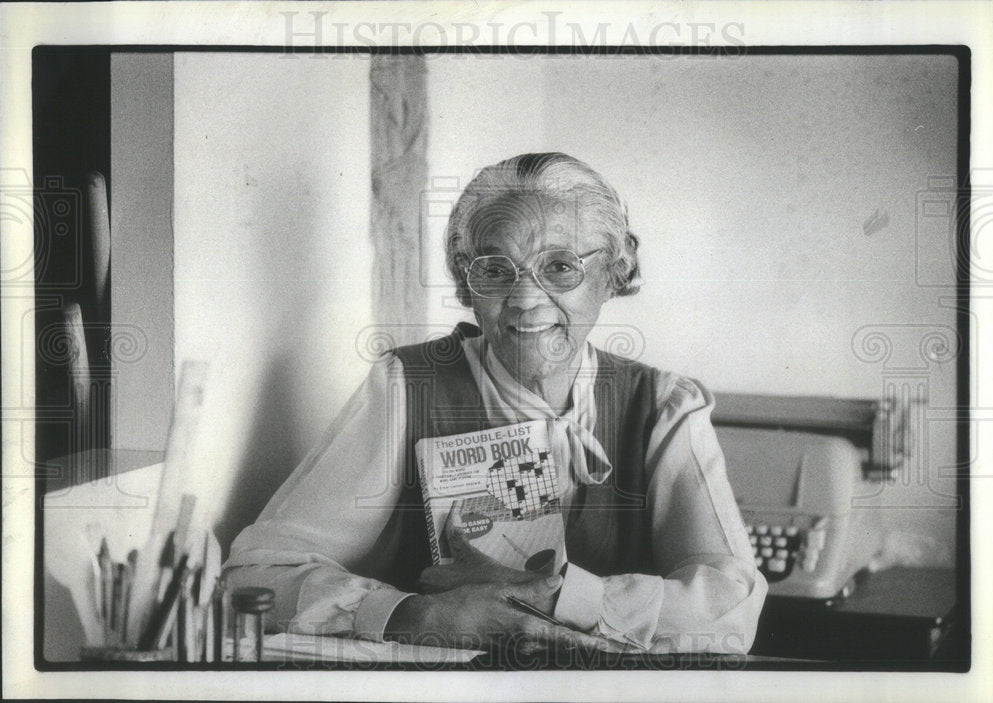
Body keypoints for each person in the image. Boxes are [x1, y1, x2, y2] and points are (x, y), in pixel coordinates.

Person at [223, 152, 767, 655]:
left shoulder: (664, 405)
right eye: (494, 269)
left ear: (612, 275)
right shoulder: (407, 384)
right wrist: (416, 614)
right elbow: (254, 574)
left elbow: (733, 606)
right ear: (466, 284)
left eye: (560, 267)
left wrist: (546, 597)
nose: (526, 300)